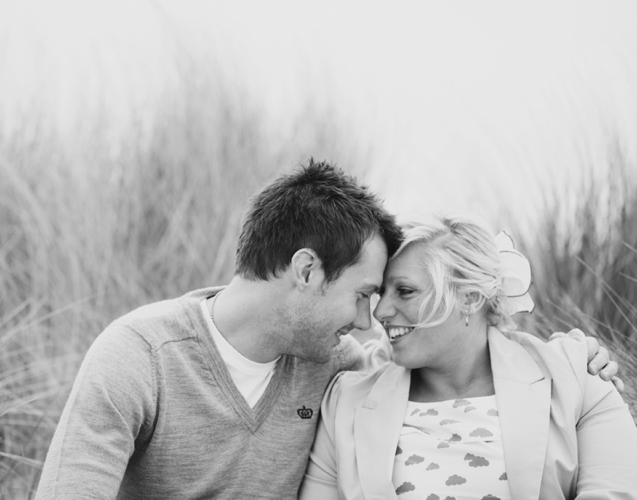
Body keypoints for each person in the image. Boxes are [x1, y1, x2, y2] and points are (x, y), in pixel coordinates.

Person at [35, 161, 618, 499]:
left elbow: (433, 375)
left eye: (391, 294)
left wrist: (579, 360)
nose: (371, 321)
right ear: (307, 269)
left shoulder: (340, 369)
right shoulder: (140, 356)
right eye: (365, 295)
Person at [299, 215, 637, 499]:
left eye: (404, 291)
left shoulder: (578, 380)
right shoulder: (345, 401)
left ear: (470, 298)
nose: (381, 312)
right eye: (379, 293)